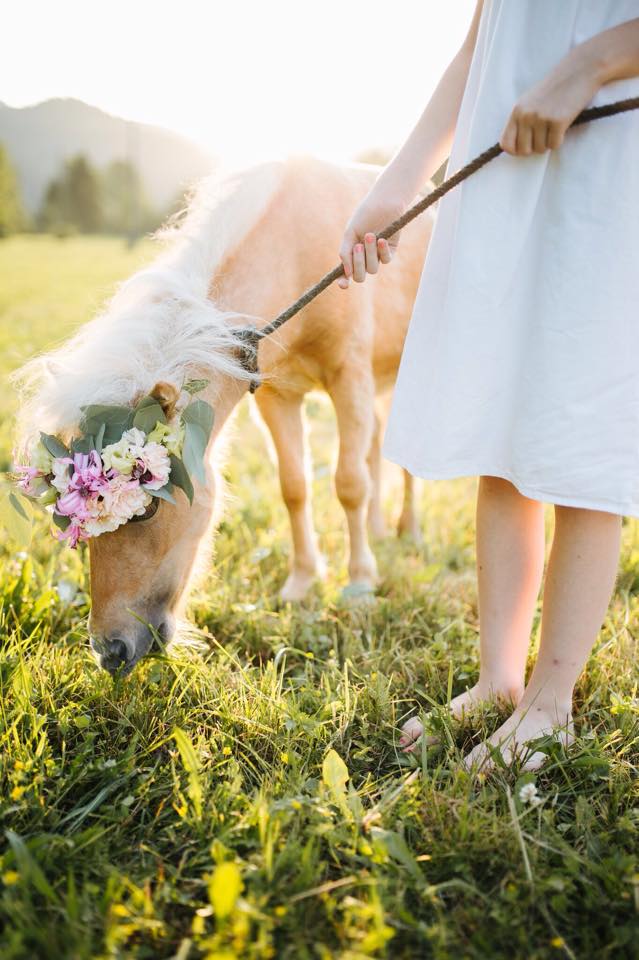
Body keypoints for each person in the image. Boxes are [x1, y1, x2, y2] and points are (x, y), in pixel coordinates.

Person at [337, 0, 639, 770]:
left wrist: (588, 64)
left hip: (605, 162)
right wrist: (398, 181)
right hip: (503, 173)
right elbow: (483, 39)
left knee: (577, 422)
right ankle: (500, 678)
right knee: (501, 419)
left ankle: (550, 704)